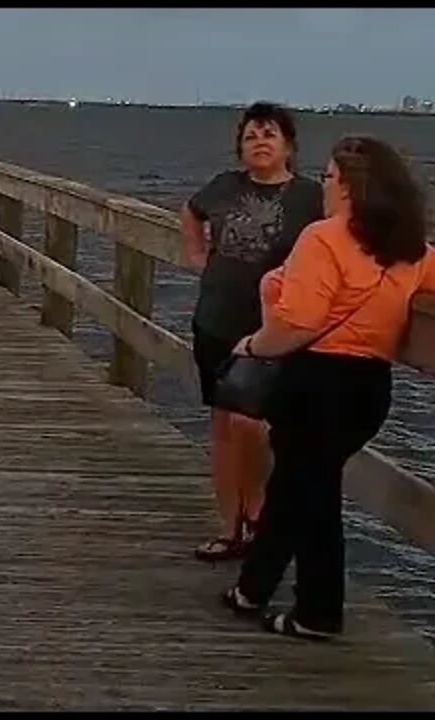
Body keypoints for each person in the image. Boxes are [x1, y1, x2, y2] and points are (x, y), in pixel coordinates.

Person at [220, 135, 435, 640]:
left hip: (316, 382)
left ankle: (317, 613)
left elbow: (298, 323)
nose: (325, 185)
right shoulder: (411, 249)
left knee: (310, 496)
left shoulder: (323, 238)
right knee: (300, 486)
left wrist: (252, 345)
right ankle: (253, 588)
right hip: (368, 389)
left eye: (331, 177)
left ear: (352, 188)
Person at [179, 102, 322, 562]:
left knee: (260, 428)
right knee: (222, 425)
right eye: (251, 136)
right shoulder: (224, 185)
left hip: (273, 330)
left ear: (288, 146)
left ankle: (260, 515)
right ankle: (230, 527)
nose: (260, 142)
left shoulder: (310, 196)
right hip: (217, 322)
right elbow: (191, 212)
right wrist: (198, 256)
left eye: (270, 134)